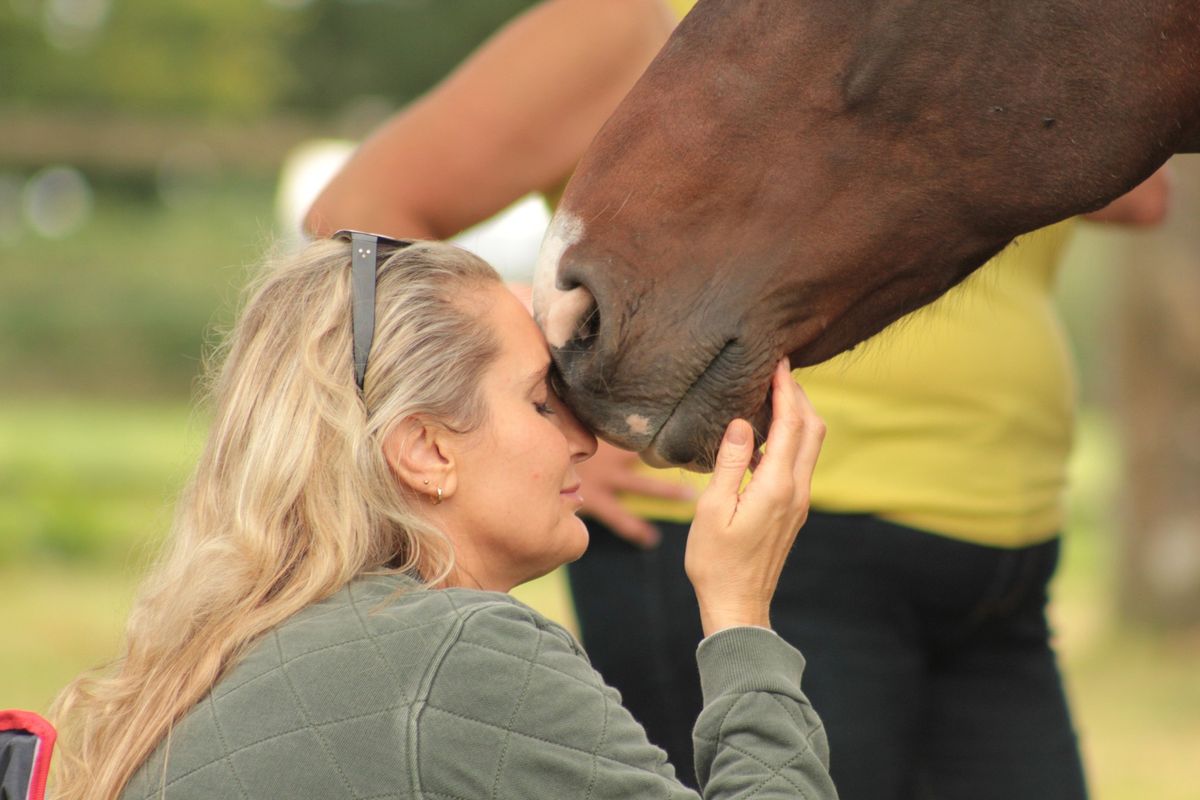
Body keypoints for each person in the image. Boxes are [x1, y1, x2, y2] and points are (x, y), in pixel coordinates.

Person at [304, 1, 1171, 797]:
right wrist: (532, 421)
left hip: (999, 551)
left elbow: (1139, 183)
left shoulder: (920, 26)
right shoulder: (638, 22)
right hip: (766, 549)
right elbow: (356, 215)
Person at [47, 234, 834, 800]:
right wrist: (739, 613)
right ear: (425, 451)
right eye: (538, 402)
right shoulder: (453, 656)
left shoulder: (240, 655)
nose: (585, 441)